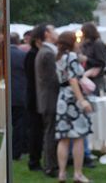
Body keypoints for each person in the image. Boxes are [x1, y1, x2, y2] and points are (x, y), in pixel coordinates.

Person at [54, 31, 93, 183]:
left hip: (62, 99)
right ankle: (78, 173)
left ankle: (62, 173)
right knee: (78, 137)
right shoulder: (71, 57)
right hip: (73, 99)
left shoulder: (58, 58)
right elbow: (73, 79)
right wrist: (82, 100)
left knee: (63, 138)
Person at [34, 23, 60, 178]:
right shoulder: (48, 53)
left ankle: (51, 164)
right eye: (53, 30)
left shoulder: (44, 51)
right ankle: (51, 166)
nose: (56, 32)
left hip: (46, 99)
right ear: (47, 34)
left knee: (50, 132)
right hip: (50, 99)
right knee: (51, 134)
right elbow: (52, 79)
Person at [25, 26, 44, 171]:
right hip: (34, 98)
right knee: (35, 130)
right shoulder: (33, 55)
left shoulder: (34, 53)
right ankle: (34, 161)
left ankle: (36, 157)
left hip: (36, 96)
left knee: (37, 129)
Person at [10, 32, 28, 160]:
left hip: (7, 93)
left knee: (11, 123)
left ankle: (10, 150)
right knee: (19, 124)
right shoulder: (23, 55)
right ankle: (16, 152)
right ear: (18, 42)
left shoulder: (3, 55)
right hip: (20, 93)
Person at [79, 22, 106, 94]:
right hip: (87, 78)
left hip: (97, 79)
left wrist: (87, 59)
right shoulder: (85, 45)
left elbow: (102, 62)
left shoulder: (98, 44)